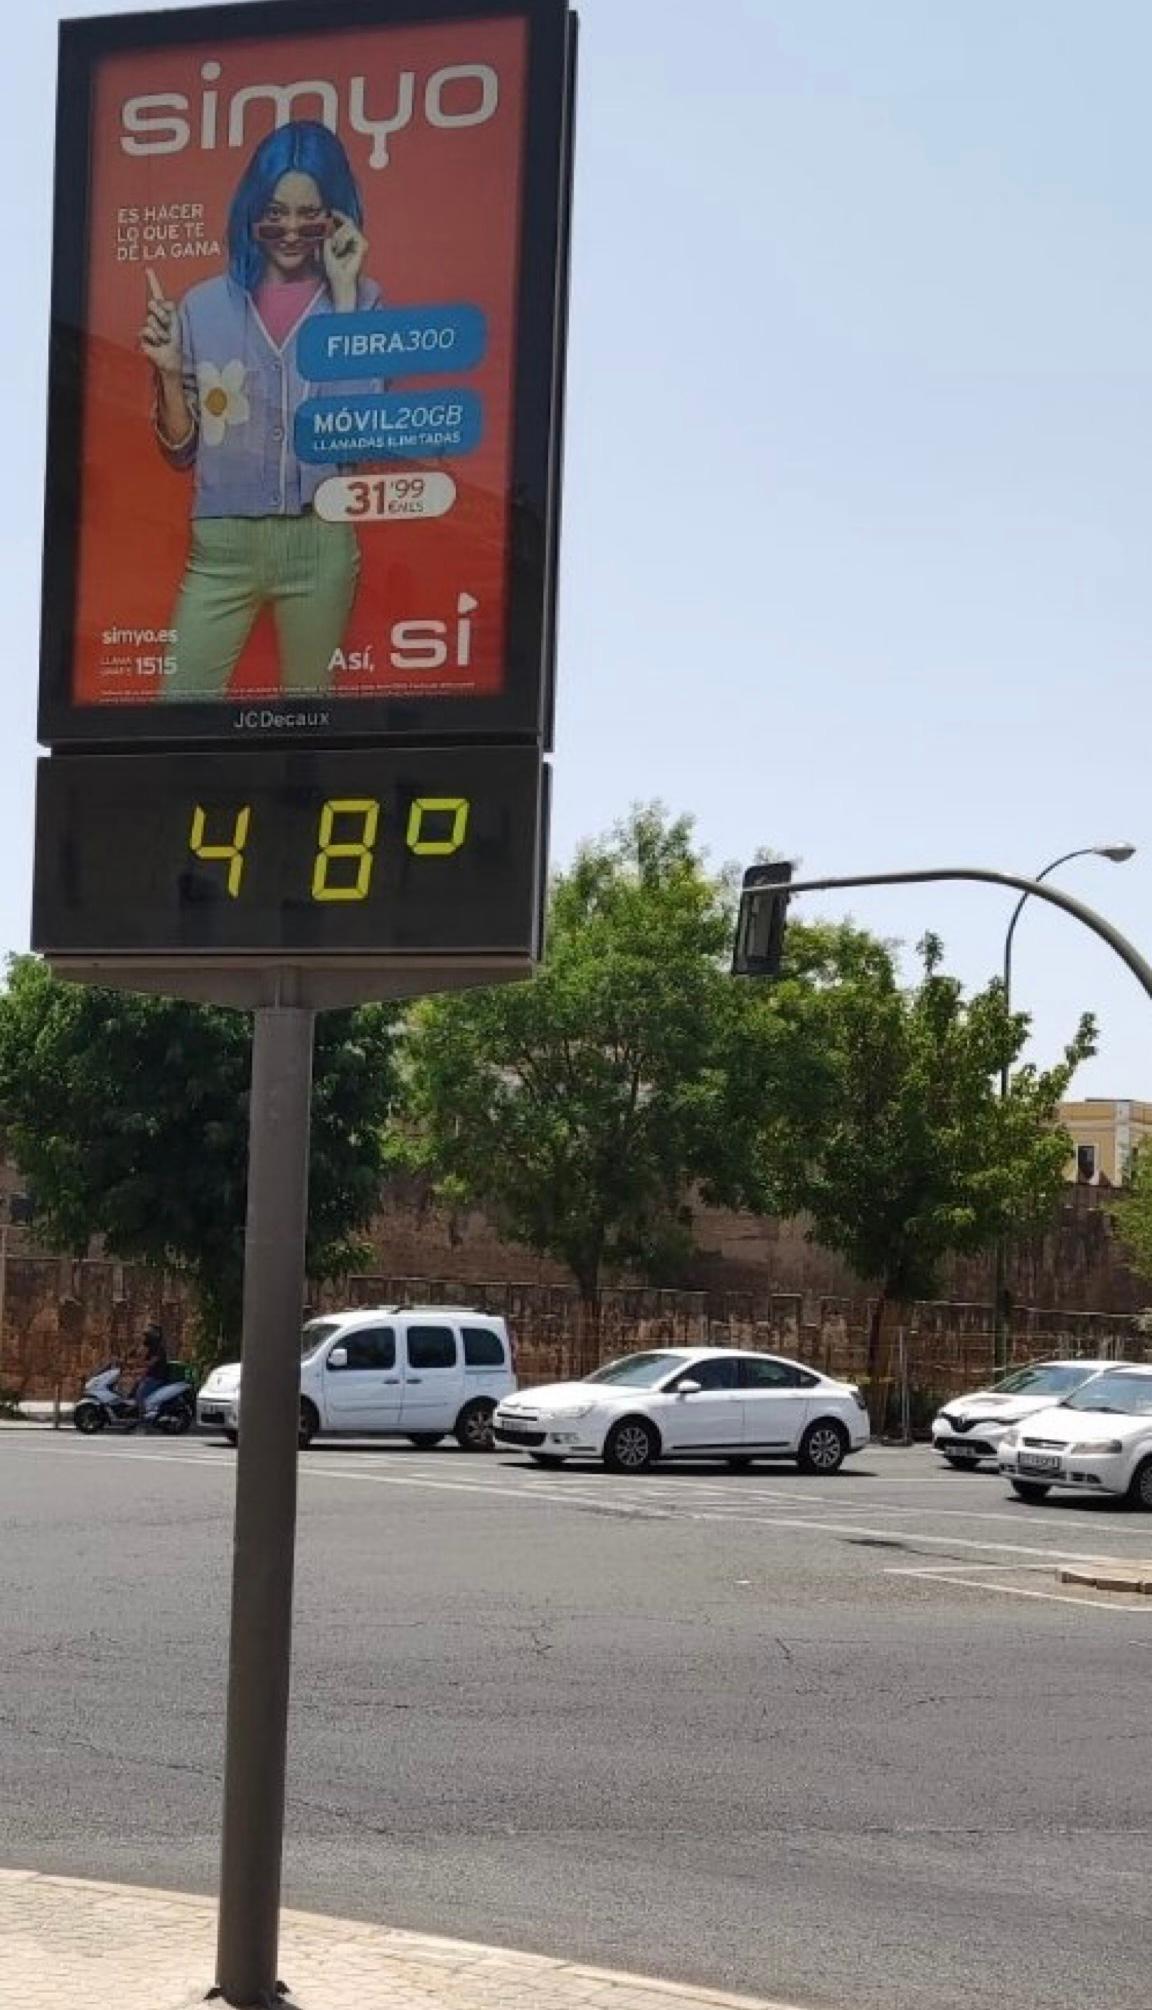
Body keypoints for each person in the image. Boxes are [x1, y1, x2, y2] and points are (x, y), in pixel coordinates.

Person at [139, 119, 380, 700]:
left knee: (307, 716)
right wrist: (170, 373)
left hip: (320, 539)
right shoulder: (201, 305)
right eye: (274, 211)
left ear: (337, 214)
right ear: (251, 211)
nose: (291, 228)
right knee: (178, 711)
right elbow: (179, 451)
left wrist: (345, 305)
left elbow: (354, 437)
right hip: (222, 544)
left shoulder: (364, 300)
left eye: (309, 212)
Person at [135, 1323, 171, 1425]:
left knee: (140, 1394)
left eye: (149, 1334)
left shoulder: (159, 1349)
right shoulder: (151, 1348)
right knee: (134, 1388)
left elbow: (151, 1363)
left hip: (156, 1377)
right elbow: (142, 1359)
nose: (146, 1337)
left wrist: (138, 1363)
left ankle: (142, 1418)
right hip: (150, 1376)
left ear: (156, 1335)